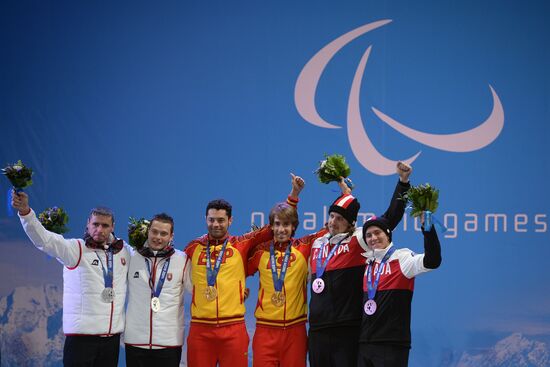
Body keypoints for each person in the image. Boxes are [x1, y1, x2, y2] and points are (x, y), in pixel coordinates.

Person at [184, 175, 304, 367]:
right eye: (212, 220)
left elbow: (272, 227)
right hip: (200, 329)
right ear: (205, 219)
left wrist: (293, 196)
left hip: (233, 330)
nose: (216, 224)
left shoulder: (241, 244)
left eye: (221, 220)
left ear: (230, 221)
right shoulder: (192, 248)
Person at [308, 162, 412, 367]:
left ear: (350, 223)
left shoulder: (359, 239)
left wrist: (403, 182)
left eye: (339, 219)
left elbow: (391, 217)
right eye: (331, 216)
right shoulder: (318, 241)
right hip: (317, 330)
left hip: (347, 329)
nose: (333, 222)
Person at [11, 191, 130, 367]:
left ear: (112, 227)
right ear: (88, 224)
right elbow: (45, 240)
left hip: (111, 341)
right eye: (95, 224)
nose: (99, 230)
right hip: (81, 340)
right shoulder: (76, 249)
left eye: (105, 225)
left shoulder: (123, 251)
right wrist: (26, 213)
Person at [247, 179, 326, 367]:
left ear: (293, 227)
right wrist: (238, 291)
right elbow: (235, 272)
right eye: (277, 224)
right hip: (265, 330)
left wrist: (345, 192)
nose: (281, 229)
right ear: (271, 227)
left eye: (286, 225)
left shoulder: (304, 246)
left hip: (295, 331)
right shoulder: (260, 252)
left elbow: (331, 227)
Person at [358, 215, 442, 367]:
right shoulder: (368, 263)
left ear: (388, 234)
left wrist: (427, 226)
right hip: (365, 343)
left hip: (391, 344)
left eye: (377, 232)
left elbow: (433, 260)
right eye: (368, 235)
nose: (373, 238)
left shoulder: (402, 258)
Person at [124, 213, 191, 366]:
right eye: (154, 231)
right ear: (147, 231)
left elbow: (198, 290)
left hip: (169, 344)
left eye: (163, 233)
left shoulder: (182, 260)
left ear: (171, 236)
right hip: (136, 342)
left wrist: (233, 292)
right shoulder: (132, 257)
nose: (158, 237)